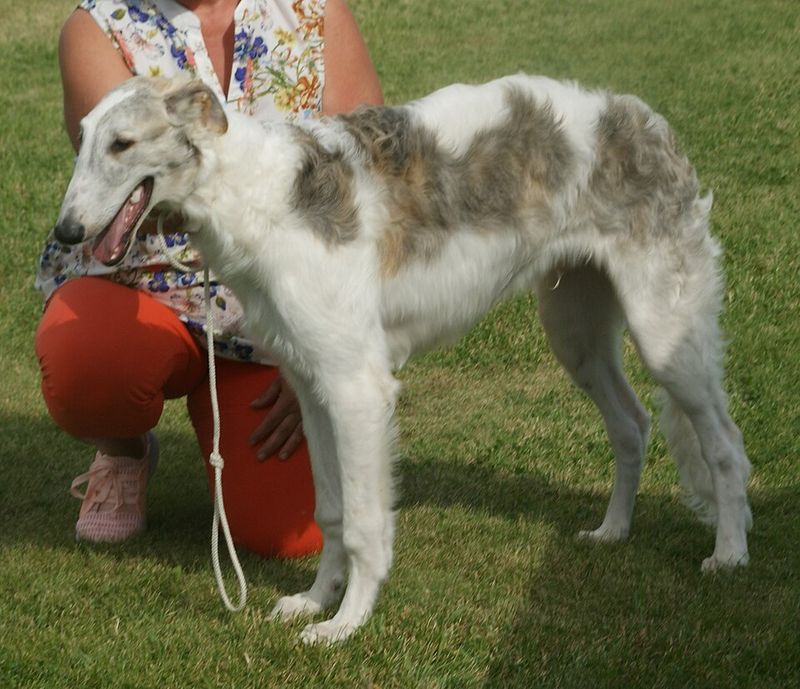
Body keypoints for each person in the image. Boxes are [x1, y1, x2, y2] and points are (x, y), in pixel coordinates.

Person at [34, 0, 383, 557]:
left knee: (288, 535)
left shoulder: (315, 13)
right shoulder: (98, 26)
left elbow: (368, 176)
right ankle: (123, 453)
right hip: (146, 292)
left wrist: (321, 356)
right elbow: (113, 170)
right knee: (86, 357)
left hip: (274, 321)